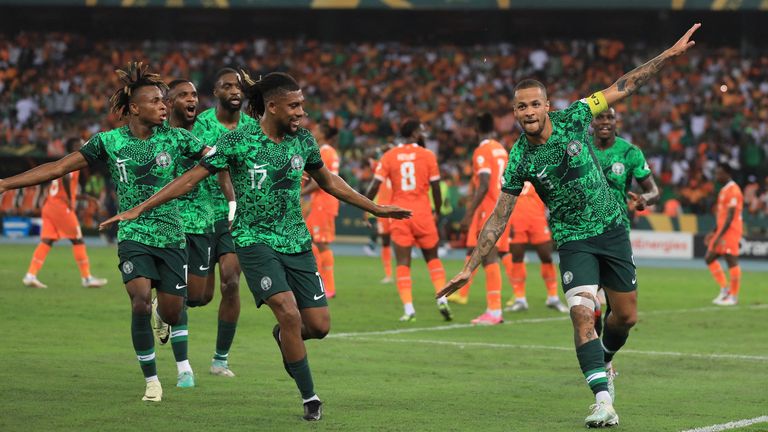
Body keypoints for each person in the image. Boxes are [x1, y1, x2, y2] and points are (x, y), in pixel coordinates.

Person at [99, 71, 411, 421]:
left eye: (302, 106)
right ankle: (310, 398)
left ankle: (284, 337)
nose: (301, 113)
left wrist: (377, 207)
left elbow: (330, 181)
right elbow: (190, 178)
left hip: (296, 240)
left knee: (319, 326)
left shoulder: (304, 141)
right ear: (273, 106)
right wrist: (142, 207)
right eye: (294, 106)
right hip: (253, 239)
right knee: (289, 312)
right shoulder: (238, 141)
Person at [438, 24, 700, 428]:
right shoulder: (519, 158)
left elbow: (622, 86)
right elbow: (498, 216)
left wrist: (668, 55)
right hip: (573, 239)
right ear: (514, 112)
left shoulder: (576, 116)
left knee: (625, 317)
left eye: (534, 105)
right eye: (521, 107)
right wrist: (470, 267)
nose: (528, 112)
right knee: (581, 312)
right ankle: (601, 400)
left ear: (547, 105)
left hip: (612, 228)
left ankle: (606, 359)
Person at [0, 62, 209, 402]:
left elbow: (217, 160)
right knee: (139, 301)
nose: (163, 106)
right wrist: (6, 182)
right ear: (135, 108)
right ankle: (151, 380)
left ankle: (164, 315)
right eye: (156, 101)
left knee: (171, 311)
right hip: (132, 233)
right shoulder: (108, 142)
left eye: (164, 101)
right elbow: (59, 167)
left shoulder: (178, 137)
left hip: (172, 235)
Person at [189, 68, 257, 377]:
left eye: (239, 86)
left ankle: (220, 359)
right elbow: (218, 169)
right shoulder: (201, 124)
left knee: (231, 281)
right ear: (216, 92)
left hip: (234, 220)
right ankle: (163, 305)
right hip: (201, 215)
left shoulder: (253, 127)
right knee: (199, 297)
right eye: (227, 86)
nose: (235, 90)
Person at [366, 120, 453, 323]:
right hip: (423, 213)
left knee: (403, 263)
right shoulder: (428, 155)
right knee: (432, 258)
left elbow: (374, 186)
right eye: (421, 131)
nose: (424, 134)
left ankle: (409, 309)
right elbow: (437, 187)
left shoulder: (390, 156)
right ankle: (442, 299)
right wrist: (437, 211)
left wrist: (367, 206)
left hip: (400, 214)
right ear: (414, 133)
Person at [591, 107, 659, 335]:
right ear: (592, 121)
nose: (605, 122)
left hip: (616, 232)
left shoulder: (630, 152)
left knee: (618, 308)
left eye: (610, 117)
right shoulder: (580, 149)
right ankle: (597, 362)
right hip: (583, 231)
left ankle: (606, 359)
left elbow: (653, 191)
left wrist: (644, 200)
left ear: (616, 121)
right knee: (586, 301)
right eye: (600, 117)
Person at [22, 137, 108, 289]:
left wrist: (87, 198)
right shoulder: (73, 163)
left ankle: (30, 275)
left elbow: (65, 187)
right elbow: (66, 178)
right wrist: (69, 200)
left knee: (47, 241)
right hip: (61, 207)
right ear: (74, 147)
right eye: (80, 144)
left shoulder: (62, 162)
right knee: (78, 240)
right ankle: (87, 278)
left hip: (50, 205)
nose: (82, 145)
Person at [449, 112, 509, 325]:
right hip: (501, 207)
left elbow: (484, 183)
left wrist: (468, 213)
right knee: (483, 255)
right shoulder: (501, 149)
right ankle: (492, 308)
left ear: (476, 130)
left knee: (490, 258)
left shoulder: (482, 151)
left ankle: (494, 311)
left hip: (488, 210)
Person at [503, 181, 568, 314]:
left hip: (537, 219)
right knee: (517, 258)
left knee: (546, 256)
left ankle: (553, 297)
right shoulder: (510, 171)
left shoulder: (539, 169)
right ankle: (520, 298)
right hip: (516, 220)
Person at [302, 124, 341, 299]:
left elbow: (321, 181)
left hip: (323, 202)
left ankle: (329, 287)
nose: (313, 132)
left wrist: (300, 192)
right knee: (308, 239)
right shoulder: (326, 151)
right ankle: (318, 281)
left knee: (322, 242)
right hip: (320, 202)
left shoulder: (325, 152)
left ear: (323, 133)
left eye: (317, 129)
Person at [706, 163, 743, 306]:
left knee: (731, 260)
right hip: (722, 230)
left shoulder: (734, 191)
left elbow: (730, 217)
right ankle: (725, 290)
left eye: (719, 173)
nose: (717, 176)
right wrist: (714, 232)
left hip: (731, 230)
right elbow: (722, 216)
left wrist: (720, 235)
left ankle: (733, 296)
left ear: (727, 174)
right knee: (709, 258)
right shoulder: (723, 190)